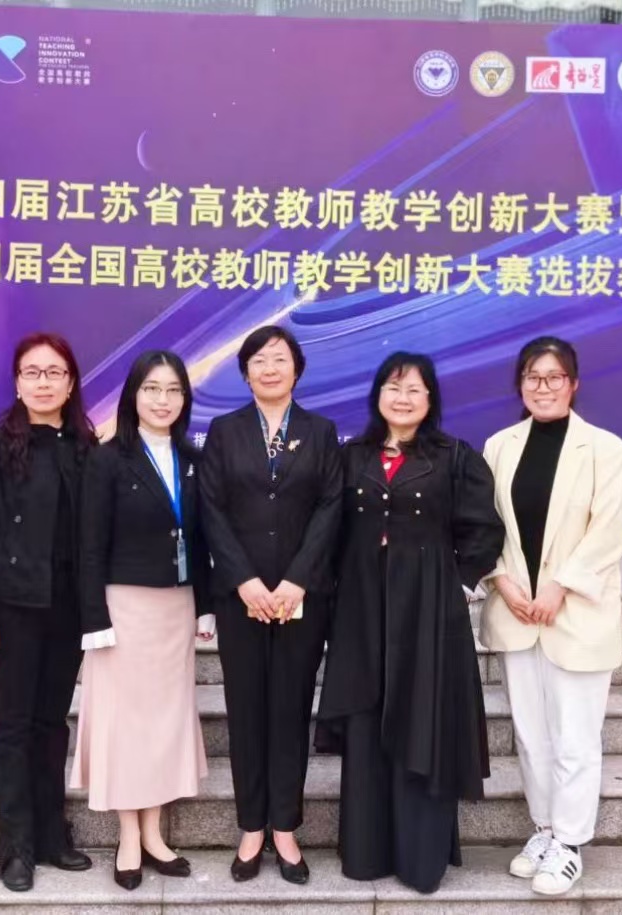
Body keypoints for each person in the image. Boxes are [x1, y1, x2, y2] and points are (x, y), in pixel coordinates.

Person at [318, 351, 503, 894]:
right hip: (361, 611)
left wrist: (456, 585)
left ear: (430, 400)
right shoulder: (351, 457)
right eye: (393, 388)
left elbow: (483, 531)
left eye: (414, 390)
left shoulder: (454, 457)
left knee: (423, 719)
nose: (403, 398)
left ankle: (420, 858)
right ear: (378, 395)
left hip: (427, 614)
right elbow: (328, 532)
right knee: (367, 721)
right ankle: (367, 851)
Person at [479, 335, 622, 897]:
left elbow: (607, 533)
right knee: (531, 735)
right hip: (517, 611)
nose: (542, 387)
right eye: (532, 377)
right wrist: (503, 581)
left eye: (553, 377)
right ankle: (543, 829)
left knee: (574, 738)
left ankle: (569, 842)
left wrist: (559, 588)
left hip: (576, 615)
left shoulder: (608, 450)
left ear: (573, 383)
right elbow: (484, 525)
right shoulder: (499, 446)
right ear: (520, 385)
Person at [198, 324, 343, 884]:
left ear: (297, 369)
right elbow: (211, 510)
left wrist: (298, 580)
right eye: (258, 360)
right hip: (242, 599)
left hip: (301, 599)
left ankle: (285, 827)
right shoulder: (225, 431)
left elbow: (330, 509)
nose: (269, 368)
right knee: (246, 713)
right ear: (245, 372)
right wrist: (243, 581)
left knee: (290, 710)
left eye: (279, 358)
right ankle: (250, 827)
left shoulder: (320, 432)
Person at [71, 350, 215, 891]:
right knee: (125, 723)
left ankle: (154, 832)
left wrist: (205, 604)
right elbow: (89, 545)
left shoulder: (193, 458)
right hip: (123, 607)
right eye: (152, 389)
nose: (163, 400)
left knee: (162, 723)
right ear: (134, 395)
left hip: (175, 607)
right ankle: (128, 835)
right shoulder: (108, 459)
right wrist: (94, 618)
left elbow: (200, 539)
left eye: (174, 390)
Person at [0, 332, 98, 892]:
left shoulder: (87, 447)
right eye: (32, 373)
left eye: (54, 372)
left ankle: (51, 835)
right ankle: (15, 845)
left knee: (51, 724)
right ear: (17, 383)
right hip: (15, 607)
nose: (43, 383)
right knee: (14, 724)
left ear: (70, 383)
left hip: (67, 609)